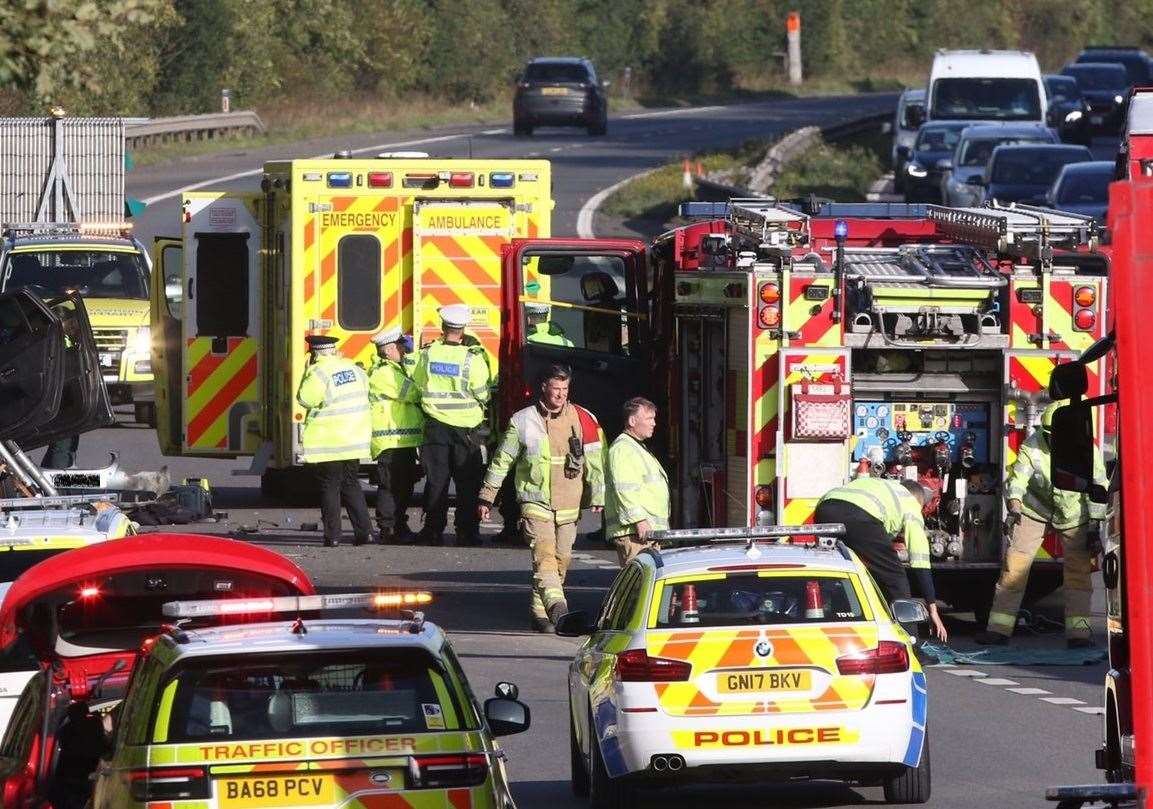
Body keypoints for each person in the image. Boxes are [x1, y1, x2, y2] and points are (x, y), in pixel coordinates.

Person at [477, 364, 606, 632]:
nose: (560, 394)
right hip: (535, 503)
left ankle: (539, 611)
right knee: (544, 556)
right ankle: (559, 609)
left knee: (561, 561)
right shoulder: (523, 420)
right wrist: (487, 497)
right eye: (556, 388)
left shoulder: (584, 419)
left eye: (565, 389)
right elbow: (503, 461)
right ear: (544, 387)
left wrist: (598, 493)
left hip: (569, 506)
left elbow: (595, 460)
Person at [976, 402, 1105, 648]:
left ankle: (1079, 635)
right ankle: (998, 630)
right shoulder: (1033, 445)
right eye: (1049, 435)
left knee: (1078, 575)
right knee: (1014, 569)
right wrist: (1014, 509)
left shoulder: (1088, 449)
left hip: (1075, 515)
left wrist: (1094, 526)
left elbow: (1098, 489)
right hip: (1035, 511)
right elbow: (1017, 481)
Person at [814, 476, 948, 643]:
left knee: (840, 575)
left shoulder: (884, 487)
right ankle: (911, 644)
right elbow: (920, 560)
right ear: (918, 500)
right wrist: (932, 608)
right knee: (895, 577)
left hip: (824, 508)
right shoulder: (910, 502)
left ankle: (833, 633)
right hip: (858, 515)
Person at [411, 304, 491, 546]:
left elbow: (419, 384)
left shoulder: (428, 354)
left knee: (437, 480)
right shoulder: (472, 359)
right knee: (468, 483)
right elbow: (482, 393)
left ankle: (433, 530)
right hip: (467, 430)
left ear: (443, 327)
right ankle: (466, 532)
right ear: (463, 329)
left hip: (435, 426)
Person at [296, 334, 373, 547]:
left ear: (314, 353)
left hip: (330, 441)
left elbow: (305, 399)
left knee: (330, 487)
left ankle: (333, 536)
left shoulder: (318, 372)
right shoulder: (354, 368)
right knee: (351, 484)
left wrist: (305, 373)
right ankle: (364, 533)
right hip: (354, 438)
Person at [368, 327, 423, 544]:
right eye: (400, 347)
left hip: (402, 440)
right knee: (391, 486)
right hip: (391, 441)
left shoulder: (394, 369)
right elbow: (412, 393)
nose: (403, 350)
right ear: (389, 350)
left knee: (402, 486)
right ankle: (389, 528)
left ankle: (398, 524)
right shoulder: (385, 373)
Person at [606, 397, 670, 566]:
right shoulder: (623, 449)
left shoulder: (635, 447)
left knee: (647, 588)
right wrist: (639, 521)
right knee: (638, 588)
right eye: (649, 418)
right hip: (636, 533)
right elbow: (624, 489)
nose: (654, 423)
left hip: (645, 533)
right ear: (632, 421)